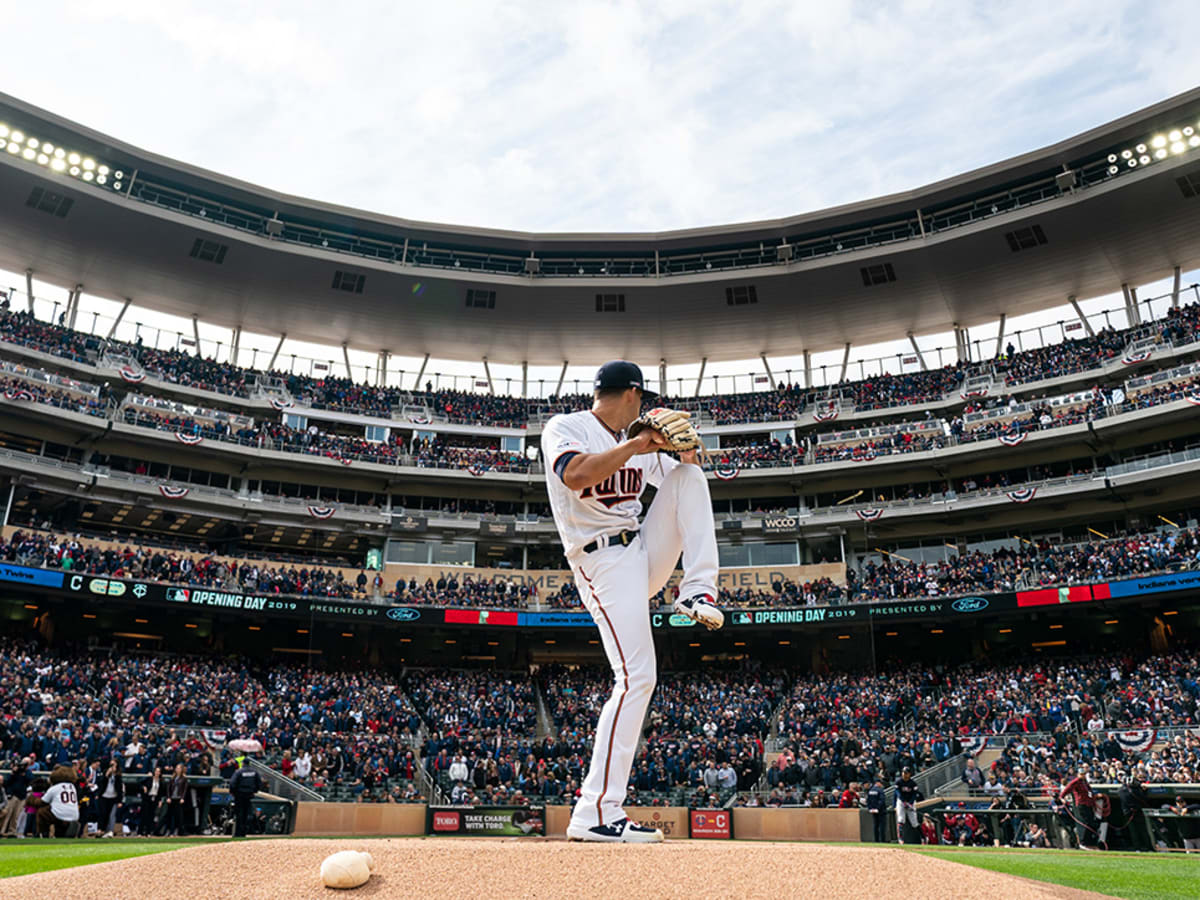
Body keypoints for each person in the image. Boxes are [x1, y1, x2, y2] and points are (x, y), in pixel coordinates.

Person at [543, 361, 723, 844]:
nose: (644, 410)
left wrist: (684, 450)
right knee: (637, 676)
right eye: (642, 400)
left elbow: (688, 479)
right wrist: (638, 445)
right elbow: (577, 476)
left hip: (641, 549)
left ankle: (698, 590)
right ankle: (595, 813)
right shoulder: (567, 427)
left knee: (692, 482)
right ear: (632, 394)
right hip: (600, 561)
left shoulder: (641, 437)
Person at [32, 765, 80, 837]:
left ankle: (43, 834)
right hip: (74, 815)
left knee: (42, 812)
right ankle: (63, 831)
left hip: (59, 815)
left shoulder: (55, 787)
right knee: (57, 811)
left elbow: (43, 801)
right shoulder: (73, 787)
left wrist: (33, 800)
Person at [228, 758, 263, 838]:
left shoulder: (239, 772)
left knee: (239, 814)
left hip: (239, 795)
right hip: (249, 795)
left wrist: (233, 792)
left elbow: (232, 783)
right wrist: (255, 790)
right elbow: (259, 783)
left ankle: (238, 833)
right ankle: (244, 832)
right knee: (246, 814)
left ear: (243, 763)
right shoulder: (254, 772)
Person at [1, 756, 32, 838]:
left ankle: (12, 831)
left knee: (16, 816)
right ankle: (2, 831)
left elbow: (29, 780)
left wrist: (23, 773)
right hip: (13, 795)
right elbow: (7, 782)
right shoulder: (14, 772)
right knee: (8, 814)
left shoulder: (28, 772)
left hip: (21, 796)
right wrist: (14, 772)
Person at [96, 757, 124, 838]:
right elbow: (101, 782)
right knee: (102, 813)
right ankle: (100, 829)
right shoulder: (106, 771)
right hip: (104, 795)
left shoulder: (118, 775)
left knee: (109, 814)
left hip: (113, 796)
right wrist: (107, 775)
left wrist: (120, 801)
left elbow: (119, 788)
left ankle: (106, 830)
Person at [895, 767, 922, 844]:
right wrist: (903, 802)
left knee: (914, 822)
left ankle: (923, 838)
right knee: (900, 819)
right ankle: (900, 838)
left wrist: (910, 803)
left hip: (910, 802)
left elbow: (914, 794)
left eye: (906, 773)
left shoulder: (913, 783)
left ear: (909, 774)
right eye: (903, 772)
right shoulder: (898, 782)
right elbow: (897, 792)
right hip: (901, 801)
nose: (904, 774)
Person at [140, 766, 164, 836]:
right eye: (156, 771)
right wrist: (143, 787)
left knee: (151, 816)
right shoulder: (149, 779)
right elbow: (140, 783)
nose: (157, 773)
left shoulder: (160, 781)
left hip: (155, 799)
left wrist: (160, 801)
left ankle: (148, 832)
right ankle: (140, 832)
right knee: (144, 815)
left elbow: (160, 792)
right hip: (147, 798)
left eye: (159, 771)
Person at [166, 763, 188, 836]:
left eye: (179, 768)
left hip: (179, 799)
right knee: (171, 815)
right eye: (176, 768)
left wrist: (182, 798)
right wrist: (168, 797)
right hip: (172, 798)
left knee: (179, 816)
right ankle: (170, 830)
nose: (177, 769)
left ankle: (178, 830)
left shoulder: (184, 778)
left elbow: (184, 789)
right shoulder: (172, 778)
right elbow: (168, 788)